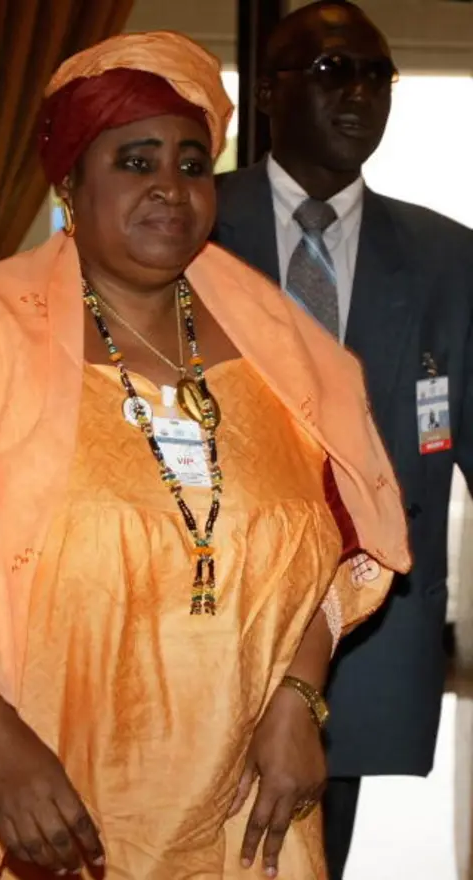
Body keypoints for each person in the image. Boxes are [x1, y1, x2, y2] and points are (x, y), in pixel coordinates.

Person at [0, 30, 410, 880]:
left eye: (189, 163)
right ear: (70, 180)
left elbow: (337, 537)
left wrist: (299, 697)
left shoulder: (286, 345)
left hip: (242, 802)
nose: (171, 191)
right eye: (135, 163)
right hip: (37, 797)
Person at [212, 2, 473, 878]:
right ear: (272, 93)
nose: (360, 93)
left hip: (365, 631)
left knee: (319, 853)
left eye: (377, 75)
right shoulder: (192, 225)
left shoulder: (448, 259)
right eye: (332, 71)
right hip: (206, 609)